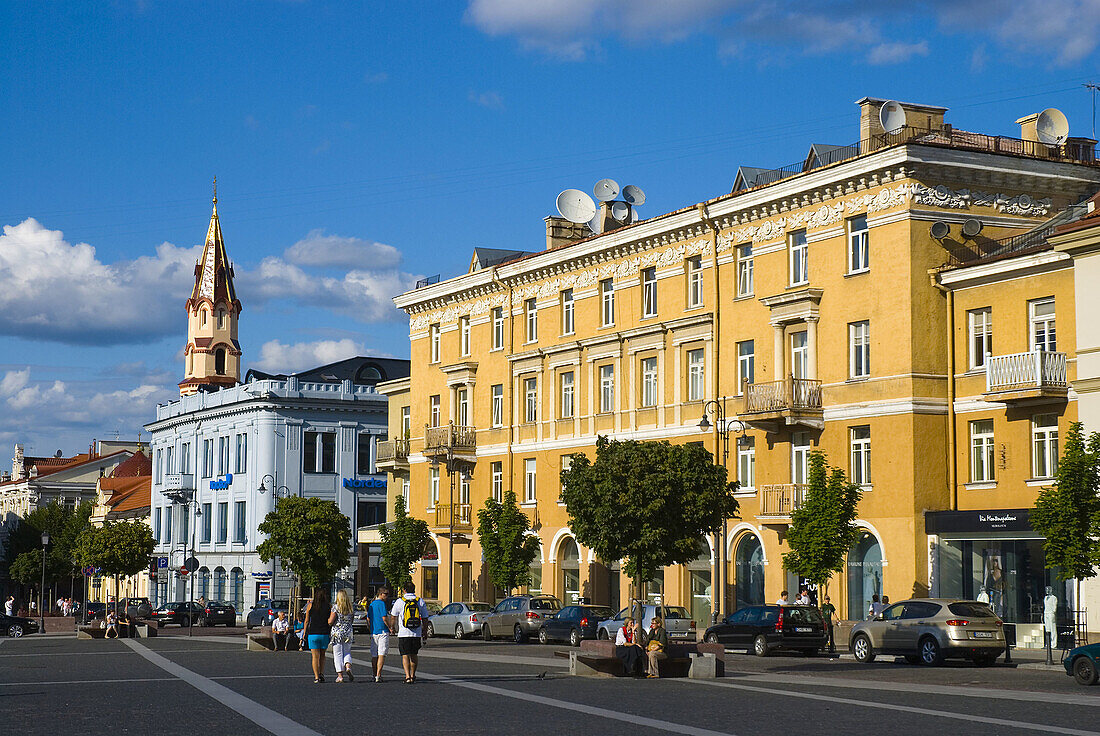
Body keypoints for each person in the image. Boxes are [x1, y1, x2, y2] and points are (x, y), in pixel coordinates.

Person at [390, 581, 429, 684]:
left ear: (404, 590)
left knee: (405, 655)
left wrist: (392, 627)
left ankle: (407, 676)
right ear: (414, 589)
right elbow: (425, 618)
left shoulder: (400, 601)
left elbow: (394, 616)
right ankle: (413, 674)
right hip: (416, 633)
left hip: (404, 632)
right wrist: (424, 631)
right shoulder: (420, 601)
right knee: (414, 654)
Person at [301, 587, 332, 683]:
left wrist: (304, 633)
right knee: (323, 655)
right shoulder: (328, 606)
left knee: (315, 656)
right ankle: (321, 673)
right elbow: (330, 620)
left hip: (313, 633)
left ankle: (316, 677)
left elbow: (306, 621)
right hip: (324, 633)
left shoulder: (310, 605)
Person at [329, 590, 355, 683]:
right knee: (347, 652)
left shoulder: (335, 607)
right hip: (348, 632)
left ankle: (340, 676)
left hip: (337, 633)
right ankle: (348, 666)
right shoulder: (350, 608)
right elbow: (351, 621)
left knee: (337, 654)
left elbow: (331, 621)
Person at [369, 586, 393, 683]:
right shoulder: (382, 604)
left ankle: (374, 674)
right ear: (380, 594)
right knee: (382, 653)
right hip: (383, 631)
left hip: (374, 631)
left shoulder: (372, 604)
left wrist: (370, 628)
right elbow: (384, 618)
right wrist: (390, 627)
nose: (387, 596)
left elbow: (368, 619)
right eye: (385, 594)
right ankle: (378, 675)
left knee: (374, 655)